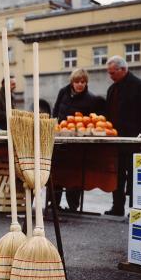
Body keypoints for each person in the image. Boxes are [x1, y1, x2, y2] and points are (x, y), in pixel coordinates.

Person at [104, 55, 141, 216]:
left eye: (112, 73)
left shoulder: (140, 86)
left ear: (123, 69)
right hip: (116, 141)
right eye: (109, 73)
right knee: (117, 176)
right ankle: (117, 207)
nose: (110, 76)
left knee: (134, 177)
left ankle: (135, 209)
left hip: (134, 141)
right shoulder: (112, 89)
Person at [53, 68, 99, 212]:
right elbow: (55, 111)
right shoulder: (63, 92)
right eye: (77, 82)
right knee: (56, 172)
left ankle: (73, 206)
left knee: (74, 174)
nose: (80, 85)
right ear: (72, 82)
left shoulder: (90, 99)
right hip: (60, 138)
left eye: (83, 82)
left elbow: (91, 121)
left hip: (77, 142)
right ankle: (54, 204)